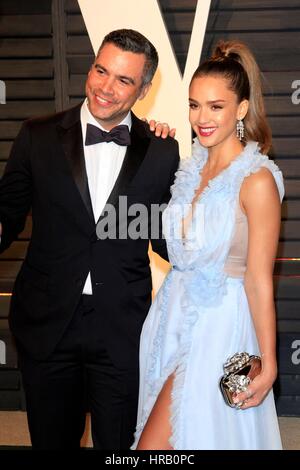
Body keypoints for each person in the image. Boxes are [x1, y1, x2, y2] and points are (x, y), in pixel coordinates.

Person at [0, 29, 180, 449]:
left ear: (144, 90)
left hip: (121, 328)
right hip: (47, 323)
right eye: (102, 70)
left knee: (118, 448)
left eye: (123, 80)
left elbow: (167, 239)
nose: (105, 87)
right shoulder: (37, 135)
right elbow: (6, 216)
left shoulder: (161, 150)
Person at [132, 40, 284, 450]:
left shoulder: (257, 180)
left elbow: (258, 279)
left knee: (159, 446)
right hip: (169, 319)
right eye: (195, 105)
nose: (202, 117)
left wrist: (269, 363)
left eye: (216, 106)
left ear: (241, 109)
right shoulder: (187, 167)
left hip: (219, 328)